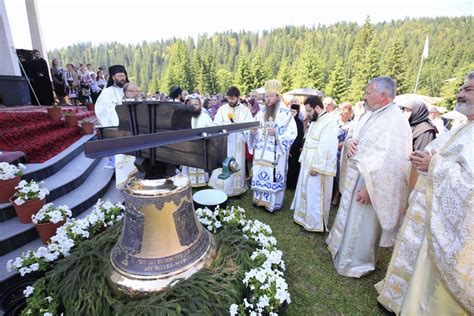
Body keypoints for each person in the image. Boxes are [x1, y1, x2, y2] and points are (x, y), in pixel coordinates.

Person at [376, 71, 474, 315]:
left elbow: (469, 185)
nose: (460, 93)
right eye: (461, 87)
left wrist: (435, 165)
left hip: (453, 232)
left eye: (468, 89)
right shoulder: (465, 128)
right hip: (432, 213)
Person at [326, 76, 412, 278]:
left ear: (382, 95)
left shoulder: (396, 121)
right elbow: (353, 138)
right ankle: (340, 251)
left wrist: (370, 190)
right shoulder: (369, 115)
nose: (364, 96)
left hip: (372, 184)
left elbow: (394, 162)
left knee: (361, 225)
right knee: (349, 217)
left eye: (368, 92)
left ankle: (355, 263)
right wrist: (348, 143)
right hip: (356, 177)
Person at [291, 96, 338, 231]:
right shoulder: (316, 120)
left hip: (317, 165)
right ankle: (303, 218)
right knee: (306, 189)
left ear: (317, 107)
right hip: (308, 161)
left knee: (315, 193)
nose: (307, 114)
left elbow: (327, 147)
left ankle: (314, 224)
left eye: (309, 111)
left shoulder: (329, 122)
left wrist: (317, 166)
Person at [249, 79, 297, 212]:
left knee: (273, 176)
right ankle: (259, 200)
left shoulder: (286, 114)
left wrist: (276, 134)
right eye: (266, 96)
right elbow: (255, 130)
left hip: (276, 154)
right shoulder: (260, 113)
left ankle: (272, 204)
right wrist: (252, 132)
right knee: (260, 173)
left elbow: (292, 133)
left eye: (271, 96)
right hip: (261, 153)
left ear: (277, 97)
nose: (268, 99)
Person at [208, 86, 253, 196]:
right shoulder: (222, 109)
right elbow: (216, 124)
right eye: (228, 98)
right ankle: (222, 188)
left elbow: (249, 126)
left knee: (237, 163)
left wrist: (241, 129)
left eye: (232, 98)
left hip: (238, 143)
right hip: (225, 142)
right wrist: (224, 127)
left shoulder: (245, 110)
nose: (230, 101)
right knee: (224, 163)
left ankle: (236, 190)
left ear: (238, 98)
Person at [95, 65, 129, 171]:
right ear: (113, 77)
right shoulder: (107, 92)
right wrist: (114, 109)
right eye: (119, 76)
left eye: (124, 76)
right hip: (115, 124)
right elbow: (100, 108)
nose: (122, 78)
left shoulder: (129, 89)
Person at [182, 95, 215, 187]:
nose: (194, 106)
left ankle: (202, 181)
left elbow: (211, 129)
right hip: (189, 144)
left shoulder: (206, 117)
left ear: (200, 105)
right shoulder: (185, 117)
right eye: (192, 105)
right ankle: (188, 181)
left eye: (196, 104)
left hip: (202, 144)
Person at [332, 102, 353, 206]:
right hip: (331, 151)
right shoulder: (334, 122)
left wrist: (338, 145)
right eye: (340, 109)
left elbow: (350, 140)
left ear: (350, 112)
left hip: (342, 153)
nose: (342, 112)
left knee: (339, 175)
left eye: (345, 109)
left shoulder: (352, 125)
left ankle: (337, 194)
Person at [286, 103, 304, 190]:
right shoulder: (287, 121)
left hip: (294, 149)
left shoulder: (299, 123)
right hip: (286, 147)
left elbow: (299, 136)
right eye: (291, 111)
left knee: (293, 166)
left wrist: (292, 147)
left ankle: (291, 185)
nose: (292, 113)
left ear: (297, 112)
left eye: (294, 111)